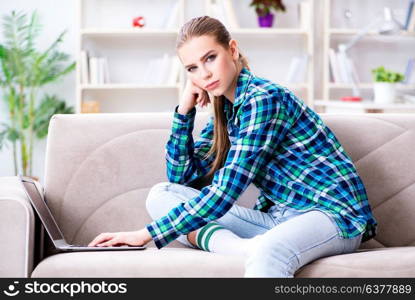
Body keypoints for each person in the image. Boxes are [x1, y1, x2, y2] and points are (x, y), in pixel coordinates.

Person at [88, 16, 377, 277]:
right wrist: (185, 111)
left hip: (330, 215)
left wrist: (146, 234)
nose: (204, 73)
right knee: (161, 195)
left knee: (270, 253)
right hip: (279, 220)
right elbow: (182, 178)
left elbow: (225, 192)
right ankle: (244, 249)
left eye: (210, 58)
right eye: (192, 68)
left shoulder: (263, 99)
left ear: (233, 50)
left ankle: (261, 250)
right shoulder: (225, 112)